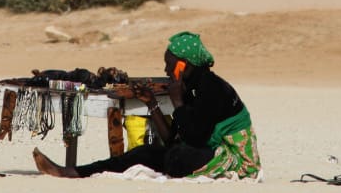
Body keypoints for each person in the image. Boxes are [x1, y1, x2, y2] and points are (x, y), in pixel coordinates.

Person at [32, 31, 261, 180]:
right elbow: (172, 138)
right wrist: (152, 103)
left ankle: (73, 171)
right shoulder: (191, 86)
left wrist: (177, 101)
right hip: (206, 150)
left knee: (177, 156)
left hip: (235, 160)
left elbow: (193, 139)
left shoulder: (212, 88)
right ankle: (74, 171)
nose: (166, 70)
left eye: (170, 65)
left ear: (184, 65)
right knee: (144, 152)